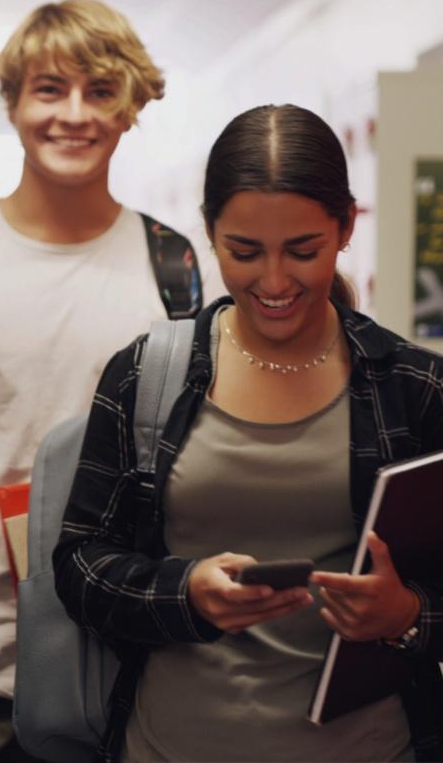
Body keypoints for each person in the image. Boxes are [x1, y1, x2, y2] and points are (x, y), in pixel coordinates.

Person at [0, 0, 220, 762]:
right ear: (13, 103)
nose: (74, 114)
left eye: (99, 91)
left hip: (122, 654)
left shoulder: (180, 272)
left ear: (131, 108)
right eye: (50, 89)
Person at [54, 103, 443, 763]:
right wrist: (185, 593)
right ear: (209, 232)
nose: (273, 282)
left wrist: (407, 615)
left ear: (346, 225)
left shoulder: (414, 388)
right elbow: (79, 564)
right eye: (243, 252)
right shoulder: (148, 374)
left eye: (303, 251)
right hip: (169, 745)